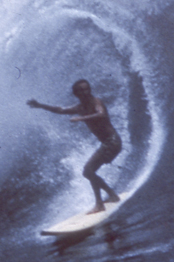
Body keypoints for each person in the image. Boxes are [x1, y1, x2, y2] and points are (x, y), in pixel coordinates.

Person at [28, 79, 123, 213]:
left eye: (87, 89)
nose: (85, 92)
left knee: (88, 170)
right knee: (88, 172)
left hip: (113, 142)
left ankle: (100, 204)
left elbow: (101, 114)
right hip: (108, 143)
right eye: (81, 90)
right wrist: (40, 105)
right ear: (76, 93)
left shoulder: (96, 102)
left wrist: (80, 118)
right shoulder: (80, 108)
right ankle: (111, 195)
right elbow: (60, 110)